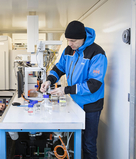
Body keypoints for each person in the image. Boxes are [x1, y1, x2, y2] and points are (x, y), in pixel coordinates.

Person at [40, 20, 107, 159]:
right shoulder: (69, 50)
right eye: (68, 40)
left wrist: (66, 90)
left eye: (73, 41)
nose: (70, 44)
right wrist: (49, 80)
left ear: (83, 38)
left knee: (88, 144)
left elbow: (94, 84)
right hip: (75, 102)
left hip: (91, 105)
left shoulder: (97, 53)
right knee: (75, 140)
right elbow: (59, 68)